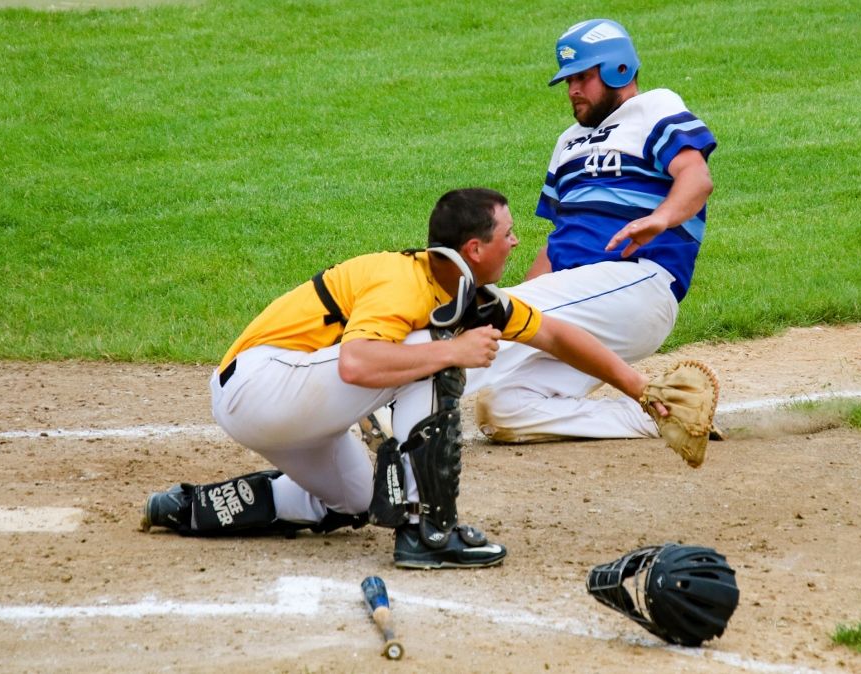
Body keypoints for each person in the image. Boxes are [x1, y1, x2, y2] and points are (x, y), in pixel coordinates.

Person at [140, 188, 669, 570]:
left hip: (285, 410)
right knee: (435, 349)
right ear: (474, 250)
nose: (516, 243)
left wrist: (640, 389)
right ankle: (427, 530)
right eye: (508, 235)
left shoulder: (467, 296)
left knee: (349, 501)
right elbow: (357, 364)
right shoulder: (403, 282)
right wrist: (458, 350)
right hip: (262, 385)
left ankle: (191, 508)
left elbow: (555, 336)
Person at [465, 19, 718, 448]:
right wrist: (520, 301)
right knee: (503, 406)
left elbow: (696, 177)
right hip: (579, 305)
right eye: (568, 80)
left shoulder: (654, 108)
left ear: (619, 68)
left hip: (635, 284)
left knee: (486, 313)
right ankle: (663, 414)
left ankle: (397, 406)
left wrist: (662, 217)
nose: (572, 90)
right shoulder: (568, 142)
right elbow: (557, 239)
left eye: (583, 77)